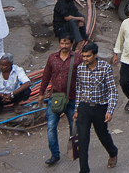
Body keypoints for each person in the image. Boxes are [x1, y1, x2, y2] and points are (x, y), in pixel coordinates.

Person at [73, 41, 119, 173]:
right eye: (83, 56)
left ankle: (112, 152)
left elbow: (112, 91)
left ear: (95, 55)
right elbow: (79, 90)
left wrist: (110, 110)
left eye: (88, 56)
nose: (85, 59)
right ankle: (84, 170)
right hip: (84, 107)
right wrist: (76, 109)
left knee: (102, 135)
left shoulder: (105, 68)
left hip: (100, 107)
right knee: (82, 139)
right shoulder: (80, 69)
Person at [42, 36, 79, 167]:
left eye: (67, 43)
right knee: (51, 127)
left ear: (71, 44)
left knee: (73, 126)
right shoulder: (52, 58)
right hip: (55, 98)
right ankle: (54, 155)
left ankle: (75, 150)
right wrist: (41, 93)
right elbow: (46, 75)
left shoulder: (77, 59)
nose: (64, 45)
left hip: (72, 98)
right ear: (58, 43)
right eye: (62, 42)